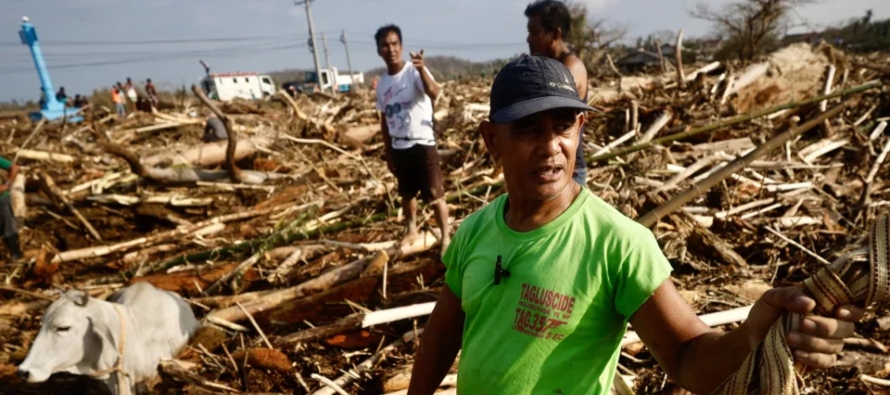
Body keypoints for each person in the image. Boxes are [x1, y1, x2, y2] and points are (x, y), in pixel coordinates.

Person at [404, 55, 863, 395]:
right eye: (527, 129)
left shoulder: (618, 244)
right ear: (491, 140)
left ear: (580, 128)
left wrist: (753, 335)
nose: (550, 146)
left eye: (563, 126)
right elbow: (443, 333)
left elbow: (686, 356)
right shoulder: (476, 231)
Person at [374, 24, 450, 251]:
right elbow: (384, 120)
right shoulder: (383, 84)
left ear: (401, 46)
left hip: (422, 143)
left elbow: (435, 92)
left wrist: (421, 70)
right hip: (400, 146)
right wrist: (388, 153)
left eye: (394, 44)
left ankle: (446, 237)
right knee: (407, 194)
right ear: (379, 51)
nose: (391, 49)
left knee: (436, 193)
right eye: (385, 45)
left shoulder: (414, 71)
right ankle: (411, 229)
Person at [525, 0, 589, 187]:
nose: (529, 39)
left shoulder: (572, 67)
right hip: (546, 165)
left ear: (555, 34)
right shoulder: (545, 67)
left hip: (567, 169)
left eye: (535, 32)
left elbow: (553, 100)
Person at [0, 155, 22, 262]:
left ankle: (16, 255)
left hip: (1, 199)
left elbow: (14, 167)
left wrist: (7, 184)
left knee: (8, 227)